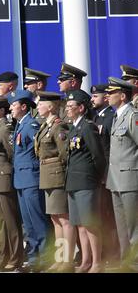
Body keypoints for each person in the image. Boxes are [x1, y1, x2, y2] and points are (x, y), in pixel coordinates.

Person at [65, 89, 106, 273]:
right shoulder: (74, 127)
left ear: (81, 108)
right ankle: (85, 261)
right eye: (66, 106)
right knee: (80, 225)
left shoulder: (87, 127)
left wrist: (95, 179)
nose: (67, 109)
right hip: (73, 182)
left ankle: (97, 262)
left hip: (87, 182)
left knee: (90, 224)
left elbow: (98, 156)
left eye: (70, 106)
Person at [8, 90, 49, 273]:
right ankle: (33, 258)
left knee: (37, 220)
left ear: (23, 107)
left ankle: (44, 257)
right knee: (28, 223)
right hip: (21, 179)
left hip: (31, 178)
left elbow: (39, 149)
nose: (10, 108)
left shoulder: (31, 125)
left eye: (13, 105)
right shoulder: (19, 124)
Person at [34, 91, 74, 273]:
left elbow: (64, 154)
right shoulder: (46, 126)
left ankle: (68, 260)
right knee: (55, 219)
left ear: (50, 107)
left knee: (64, 219)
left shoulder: (58, 126)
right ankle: (60, 259)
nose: (38, 106)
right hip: (47, 176)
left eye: (41, 104)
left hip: (56, 175)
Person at [0, 95, 24, 272]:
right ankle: (4, 256)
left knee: (10, 221)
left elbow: (12, 154)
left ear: (2, 111)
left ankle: (16, 258)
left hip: (3, 178)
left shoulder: (5, 128)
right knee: (0, 222)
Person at [105, 77, 138, 272]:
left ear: (123, 96)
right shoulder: (117, 116)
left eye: (112, 93)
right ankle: (127, 261)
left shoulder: (132, 116)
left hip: (130, 178)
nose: (108, 96)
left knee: (133, 226)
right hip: (116, 179)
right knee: (122, 226)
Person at [90, 84, 121, 267]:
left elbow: (109, 149)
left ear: (106, 98)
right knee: (101, 215)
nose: (93, 99)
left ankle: (114, 254)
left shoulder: (110, 117)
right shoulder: (96, 116)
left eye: (96, 96)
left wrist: (105, 173)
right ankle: (106, 253)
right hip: (98, 174)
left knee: (110, 216)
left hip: (108, 174)